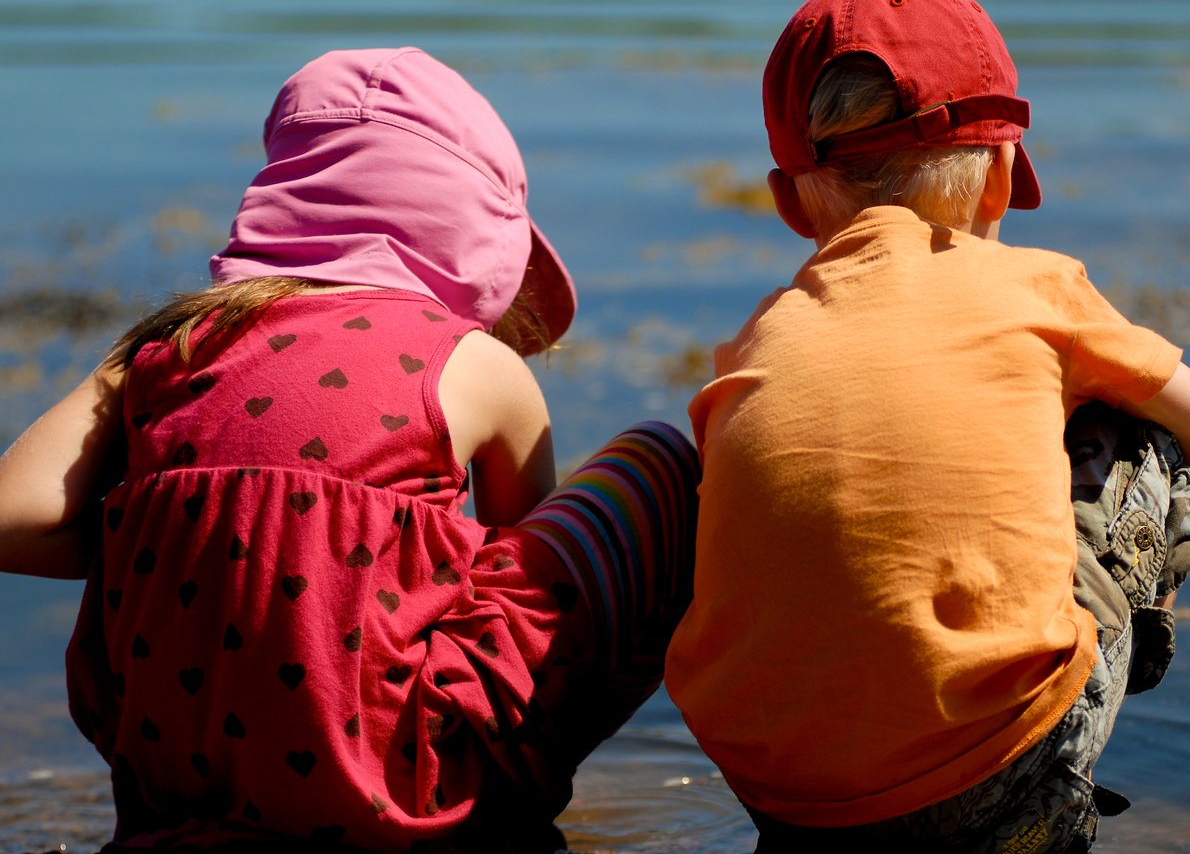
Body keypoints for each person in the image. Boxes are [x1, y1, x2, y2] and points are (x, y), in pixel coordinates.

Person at [0, 47, 698, 853]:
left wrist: (193, 541)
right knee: (660, 466)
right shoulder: (477, 366)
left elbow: (14, 514)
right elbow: (522, 598)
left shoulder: (168, 346)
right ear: (471, 234)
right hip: (407, 791)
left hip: (178, 781)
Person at [663, 0, 1190, 852]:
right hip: (985, 772)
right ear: (1001, 176)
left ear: (790, 204)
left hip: (775, 785)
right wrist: (1153, 595)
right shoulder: (1038, 286)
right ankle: (1045, 806)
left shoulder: (757, 337)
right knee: (1143, 434)